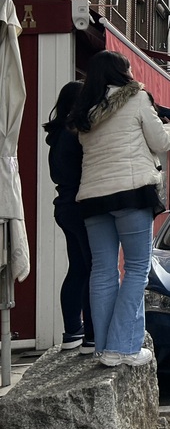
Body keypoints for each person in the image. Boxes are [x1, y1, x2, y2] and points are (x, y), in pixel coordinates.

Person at [67, 51, 170, 367]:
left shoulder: (86, 111)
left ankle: (104, 347)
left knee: (103, 271)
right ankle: (124, 347)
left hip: (92, 198)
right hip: (132, 195)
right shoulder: (138, 98)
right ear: (122, 72)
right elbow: (159, 142)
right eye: (129, 67)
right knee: (136, 268)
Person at [43, 80, 94, 352]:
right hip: (80, 206)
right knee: (94, 269)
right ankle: (91, 337)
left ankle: (73, 331)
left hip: (63, 206)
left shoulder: (57, 135)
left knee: (77, 269)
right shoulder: (76, 134)